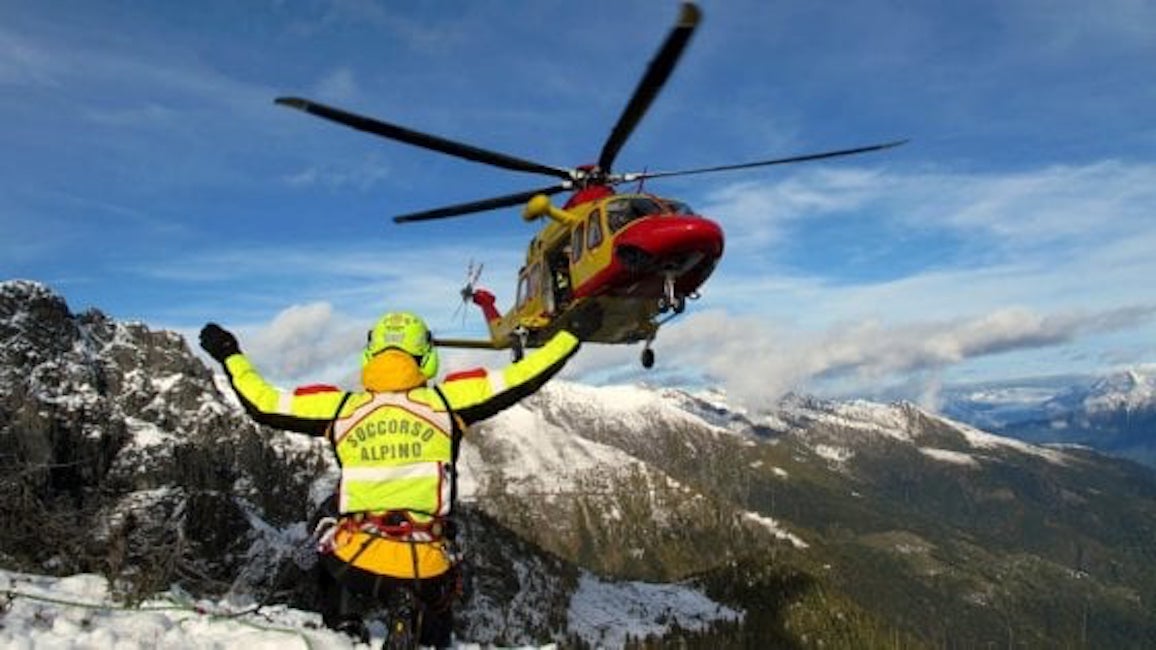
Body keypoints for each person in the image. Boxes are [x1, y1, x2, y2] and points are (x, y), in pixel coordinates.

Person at [199, 304, 600, 647]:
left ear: (370, 355)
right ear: (425, 357)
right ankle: (422, 626)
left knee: (327, 528)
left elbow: (263, 403)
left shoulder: (340, 408)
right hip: (426, 564)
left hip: (357, 562)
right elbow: (524, 376)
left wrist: (230, 354)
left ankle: (345, 624)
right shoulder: (448, 401)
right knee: (439, 580)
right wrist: (572, 334)